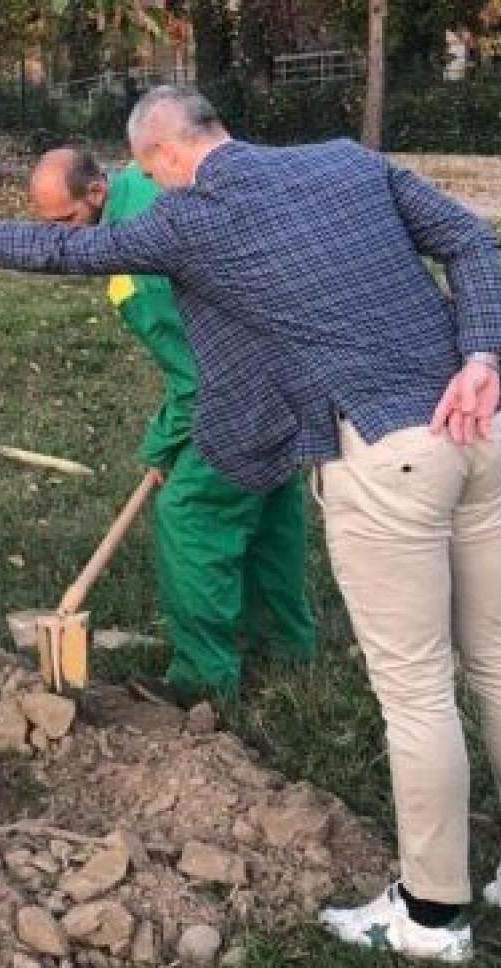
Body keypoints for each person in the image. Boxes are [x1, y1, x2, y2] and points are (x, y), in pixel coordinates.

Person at [0, 86, 501, 961]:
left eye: (151, 170)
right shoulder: (347, 161)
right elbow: (471, 237)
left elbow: (64, 251)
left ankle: (432, 915)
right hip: (488, 425)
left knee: (419, 690)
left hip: (393, 456)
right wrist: (480, 353)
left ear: (159, 156)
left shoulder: (188, 218)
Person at [27, 145, 314, 701]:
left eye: (67, 223)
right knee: (272, 500)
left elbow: (197, 377)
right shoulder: (146, 180)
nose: (64, 239)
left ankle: (203, 680)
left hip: (237, 391)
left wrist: (162, 445)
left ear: (96, 192)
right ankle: (286, 646)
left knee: (191, 512)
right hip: (286, 373)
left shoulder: (138, 274)